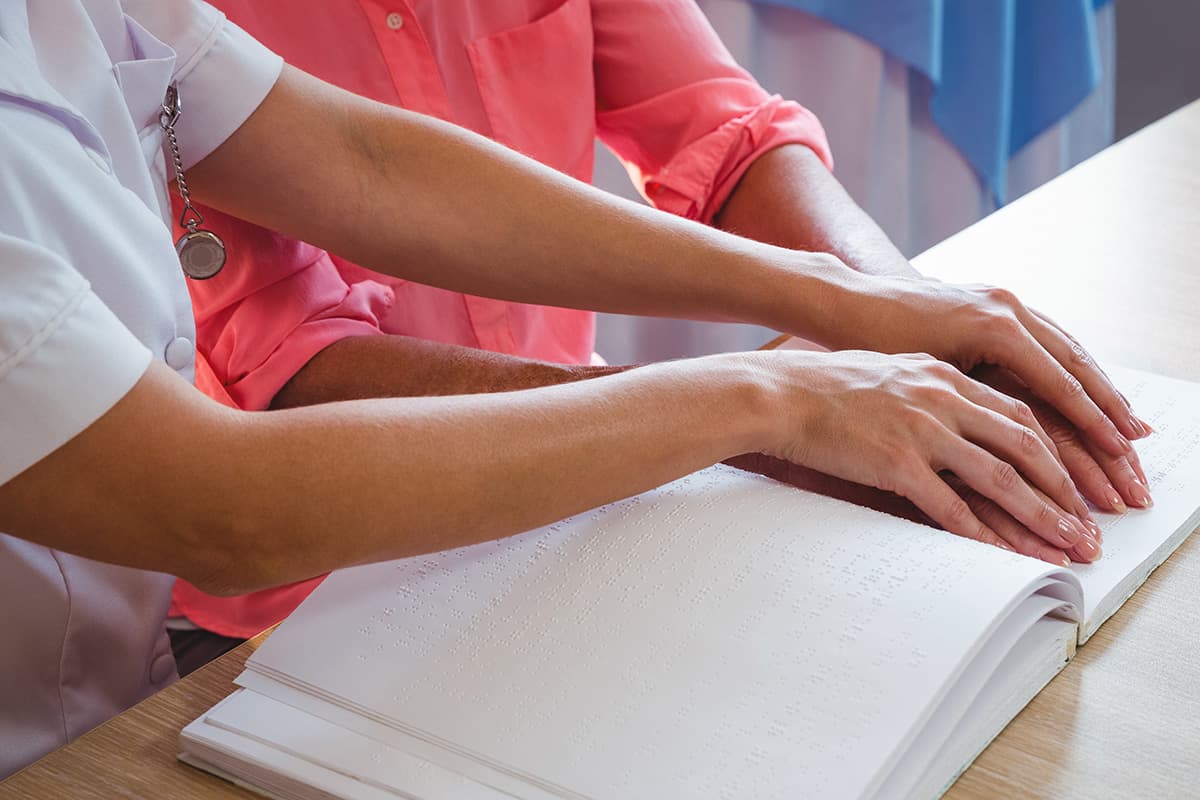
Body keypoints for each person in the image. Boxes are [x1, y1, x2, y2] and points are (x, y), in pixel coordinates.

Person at [0, 0, 1137, 777]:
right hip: (265, 630)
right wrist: (762, 398)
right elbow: (225, 497)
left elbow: (366, 163)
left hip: (115, 685)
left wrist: (871, 304)